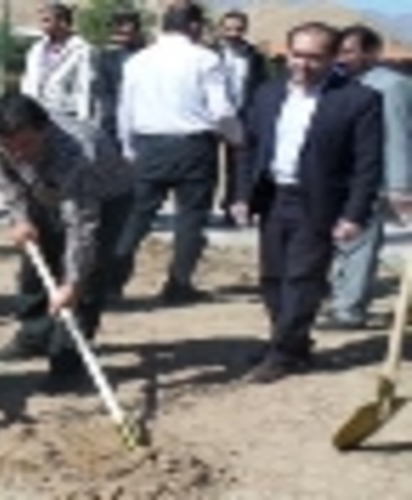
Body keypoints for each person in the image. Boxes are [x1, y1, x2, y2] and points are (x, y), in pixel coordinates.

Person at [231, 22, 383, 383]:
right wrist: (240, 195)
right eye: (297, 55)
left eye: (315, 57)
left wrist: (354, 214)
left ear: (333, 59)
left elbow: (367, 163)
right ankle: (291, 344)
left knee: (303, 278)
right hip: (272, 197)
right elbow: (249, 150)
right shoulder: (267, 94)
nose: (303, 64)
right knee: (273, 277)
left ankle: (283, 353)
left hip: (318, 201)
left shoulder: (358, 100)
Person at [0, 93, 134, 394]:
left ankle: (66, 361)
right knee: (35, 264)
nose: (18, 152)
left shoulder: (78, 152)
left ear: (45, 130)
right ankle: (33, 337)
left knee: (83, 282)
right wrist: (20, 218)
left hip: (105, 199)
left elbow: (81, 227)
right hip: (43, 190)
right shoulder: (0, 139)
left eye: (26, 144)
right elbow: (7, 179)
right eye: (9, 146)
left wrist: (74, 282)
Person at [113, 2, 241, 303]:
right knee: (191, 219)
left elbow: (124, 111)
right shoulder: (205, 59)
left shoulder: (138, 61)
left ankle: (111, 282)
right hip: (193, 146)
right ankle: (178, 284)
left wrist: (128, 148)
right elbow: (221, 109)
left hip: (148, 144)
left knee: (136, 217)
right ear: (194, 26)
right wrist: (237, 138)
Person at [316, 25, 412, 330]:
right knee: (340, 242)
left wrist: (399, 185)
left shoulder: (391, 86)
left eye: (349, 52)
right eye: (338, 52)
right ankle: (340, 299)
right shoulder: (336, 84)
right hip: (337, 177)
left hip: (374, 178)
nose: (341, 59)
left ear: (372, 53)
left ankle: (349, 310)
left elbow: (398, 136)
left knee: (359, 242)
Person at [214, 10, 268, 226]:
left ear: (245, 30)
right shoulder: (208, 53)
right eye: (228, 29)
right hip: (212, 115)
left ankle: (232, 208)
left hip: (240, 115)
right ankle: (200, 211)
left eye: (238, 29)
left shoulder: (254, 56)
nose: (233, 33)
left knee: (238, 165)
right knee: (206, 165)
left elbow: (260, 86)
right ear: (221, 29)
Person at [20, 2, 96, 122]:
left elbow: (85, 87)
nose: (41, 25)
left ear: (62, 22)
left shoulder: (82, 50)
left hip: (65, 114)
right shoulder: (36, 48)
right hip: (35, 114)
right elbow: (28, 80)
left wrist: (83, 119)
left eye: (46, 20)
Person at [96, 9, 145, 145]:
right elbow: (103, 91)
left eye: (125, 24)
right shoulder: (106, 55)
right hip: (114, 122)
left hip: (142, 121)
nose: (121, 30)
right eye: (117, 25)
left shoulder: (148, 55)